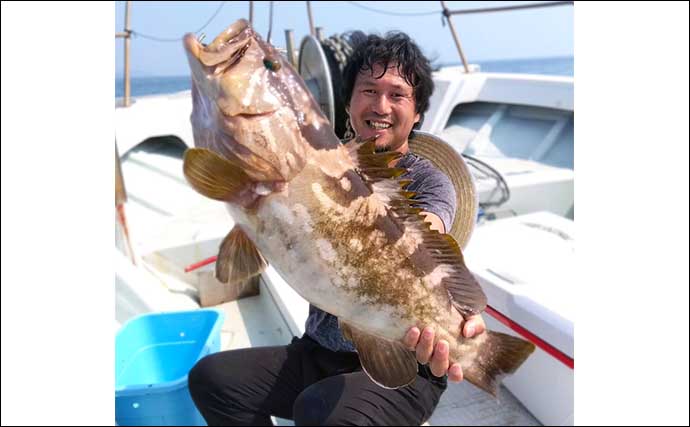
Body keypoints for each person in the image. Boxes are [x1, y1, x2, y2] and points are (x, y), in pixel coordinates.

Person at [188, 31, 486, 426]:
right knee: (214, 380)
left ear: (417, 114)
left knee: (321, 410)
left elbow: (428, 234)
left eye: (397, 95)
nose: (381, 105)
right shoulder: (315, 159)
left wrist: (464, 326)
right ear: (349, 102)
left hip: (405, 364)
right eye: (368, 90)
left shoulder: (430, 183)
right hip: (318, 352)